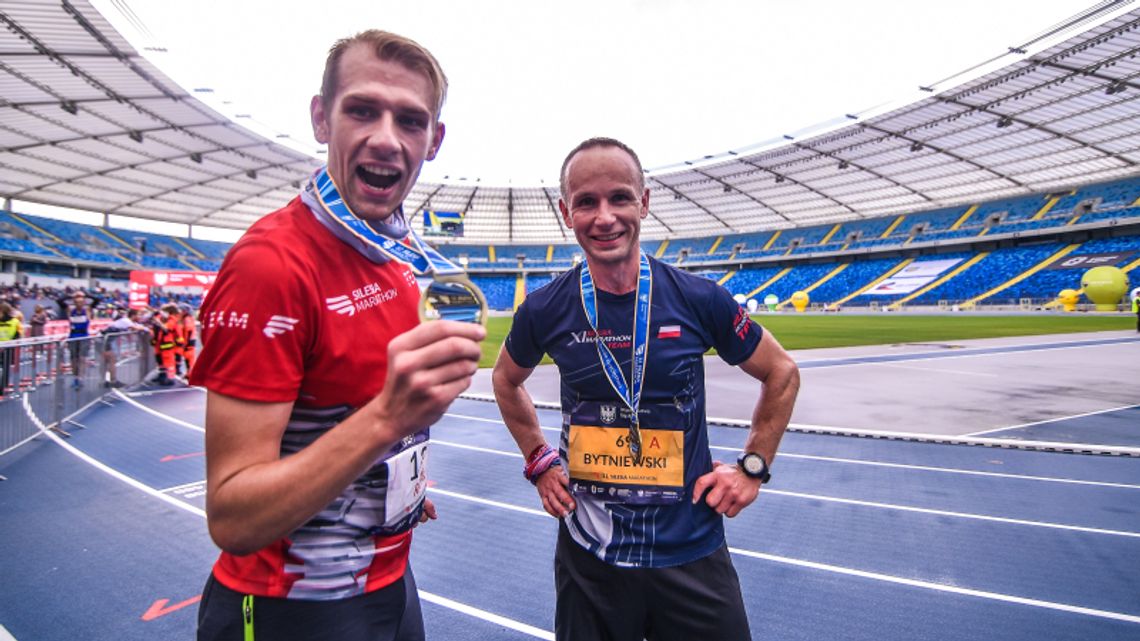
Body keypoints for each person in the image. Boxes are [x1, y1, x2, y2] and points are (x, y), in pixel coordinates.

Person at [189, 30, 484, 641]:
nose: (386, 138)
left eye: (410, 120)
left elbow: (342, 424)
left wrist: (389, 484)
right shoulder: (271, 266)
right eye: (361, 110)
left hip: (389, 581)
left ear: (433, 141)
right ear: (322, 119)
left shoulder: (400, 256)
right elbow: (233, 518)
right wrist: (385, 419)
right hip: (289, 607)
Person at [492, 138, 800, 641]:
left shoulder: (699, 298)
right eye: (586, 202)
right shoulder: (544, 309)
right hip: (591, 555)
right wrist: (539, 460)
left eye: (620, 198)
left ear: (644, 203)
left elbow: (781, 372)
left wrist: (753, 467)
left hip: (691, 549)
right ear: (566, 213)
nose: (604, 217)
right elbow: (505, 380)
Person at [100, 308, 147, 388]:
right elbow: (136, 328)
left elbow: (139, 326)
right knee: (111, 359)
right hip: (104, 339)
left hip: (108, 339)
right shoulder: (126, 321)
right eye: (138, 315)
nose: (140, 317)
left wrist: (144, 328)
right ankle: (112, 381)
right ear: (133, 315)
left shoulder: (131, 322)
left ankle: (106, 380)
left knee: (108, 360)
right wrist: (145, 329)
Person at [0, 302, 23, 394]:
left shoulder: (15, 321)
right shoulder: (15, 321)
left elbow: (19, 334)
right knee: (5, 368)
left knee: (5, 368)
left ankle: (2, 387)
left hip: (8, 347)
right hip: (6, 347)